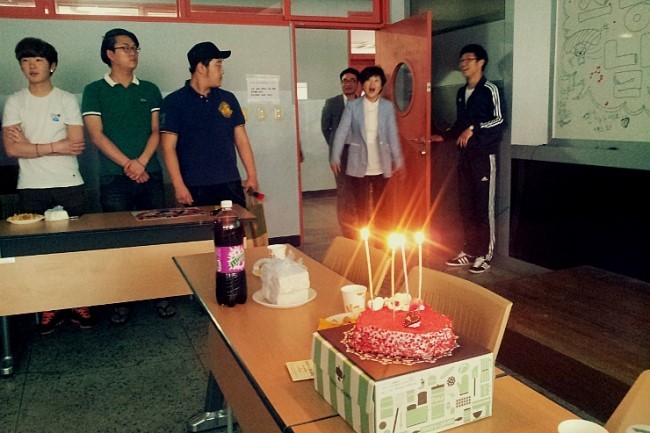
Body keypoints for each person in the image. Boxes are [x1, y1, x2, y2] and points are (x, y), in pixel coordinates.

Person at [2, 37, 98, 334]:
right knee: (38, 251)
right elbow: (12, 150)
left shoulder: (66, 100)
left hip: (69, 183)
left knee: (75, 248)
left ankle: (80, 303)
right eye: (26, 61)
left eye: (38, 60)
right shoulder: (15, 102)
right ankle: (49, 307)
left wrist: (32, 146)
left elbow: (76, 144)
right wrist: (56, 145)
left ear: (52, 66)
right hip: (31, 186)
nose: (32, 66)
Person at [82, 28, 175, 323]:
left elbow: (155, 131)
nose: (132, 53)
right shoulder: (94, 90)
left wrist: (142, 163)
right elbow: (97, 136)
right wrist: (129, 165)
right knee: (120, 240)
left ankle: (161, 293)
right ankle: (123, 299)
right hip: (114, 178)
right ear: (109, 54)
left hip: (150, 174)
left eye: (135, 47)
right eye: (125, 47)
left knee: (157, 236)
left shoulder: (149, 89)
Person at [431, 44, 506, 274]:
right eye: (461, 60)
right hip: (465, 158)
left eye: (468, 59)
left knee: (483, 208)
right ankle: (470, 250)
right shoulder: (461, 93)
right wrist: (443, 136)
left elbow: (500, 120)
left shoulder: (490, 89)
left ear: (481, 62)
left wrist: (474, 128)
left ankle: (485, 254)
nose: (463, 64)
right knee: (466, 208)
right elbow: (460, 125)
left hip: (483, 157)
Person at [160, 41, 258, 209]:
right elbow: (168, 148)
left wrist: (252, 175)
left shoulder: (228, 99)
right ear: (201, 68)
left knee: (236, 224)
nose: (222, 71)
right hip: (194, 185)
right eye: (218, 65)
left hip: (229, 181)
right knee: (200, 226)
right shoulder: (174, 102)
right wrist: (178, 185)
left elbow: (242, 141)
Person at [330, 65, 404, 239]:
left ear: (381, 85)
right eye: (368, 80)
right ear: (362, 84)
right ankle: (364, 242)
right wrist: (335, 156)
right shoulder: (353, 106)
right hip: (358, 164)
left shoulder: (387, 107)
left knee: (382, 207)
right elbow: (341, 132)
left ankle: (381, 241)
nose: (372, 84)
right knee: (361, 207)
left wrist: (398, 160)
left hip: (381, 164)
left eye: (376, 80)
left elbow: (393, 134)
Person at [321, 67, 360, 239]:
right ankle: (346, 228)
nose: (348, 84)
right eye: (345, 81)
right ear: (341, 83)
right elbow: (325, 128)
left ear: (357, 84)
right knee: (344, 191)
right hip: (340, 153)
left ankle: (361, 224)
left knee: (359, 190)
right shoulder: (332, 103)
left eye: (352, 81)